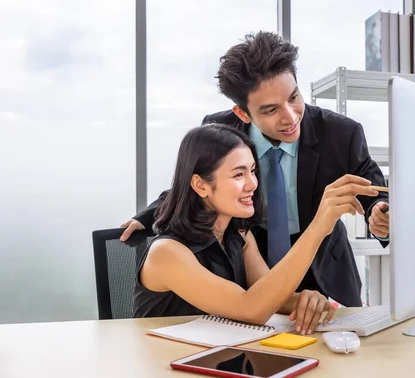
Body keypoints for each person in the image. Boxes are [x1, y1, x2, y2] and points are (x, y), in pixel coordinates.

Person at [123, 31, 389, 307]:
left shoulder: (340, 132)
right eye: (271, 110)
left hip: (321, 267)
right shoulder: (221, 130)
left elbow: (373, 189)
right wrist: (150, 215)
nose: (290, 116)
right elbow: (198, 179)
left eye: (294, 97)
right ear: (243, 113)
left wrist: (380, 213)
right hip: (255, 270)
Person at [133, 124, 378, 336]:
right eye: (238, 174)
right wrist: (318, 227)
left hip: (218, 361)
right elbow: (251, 309)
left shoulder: (239, 234)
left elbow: (268, 293)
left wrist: (305, 299)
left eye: (252, 170)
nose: (252, 184)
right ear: (200, 184)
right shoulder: (166, 253)